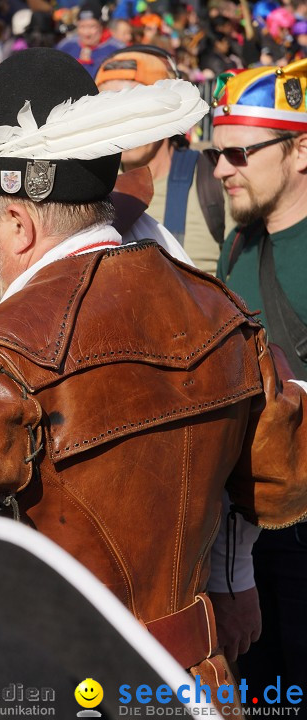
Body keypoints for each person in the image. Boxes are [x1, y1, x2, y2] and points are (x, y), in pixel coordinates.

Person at [0, 47, 304, 697]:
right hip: (202, 686)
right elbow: (278, 478)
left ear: (20, 223)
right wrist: (230, 581)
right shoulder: (222, 313)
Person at [213, 58, 307, 701]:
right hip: (249, 537)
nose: (221, 170)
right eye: (215, 154)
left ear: (300, 151)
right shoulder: (240, 239)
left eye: (240, 153)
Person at [96, 46, 227, 274]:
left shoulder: (217, 178)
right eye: (108, 109)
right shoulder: (90, 192)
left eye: (136, 109)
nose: (121, 123)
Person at [57, 0, 125, 76]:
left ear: (101, 26)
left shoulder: (116, 49)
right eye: (82, 27)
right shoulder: (66, 46)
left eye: (92, 26)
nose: (87, 33)